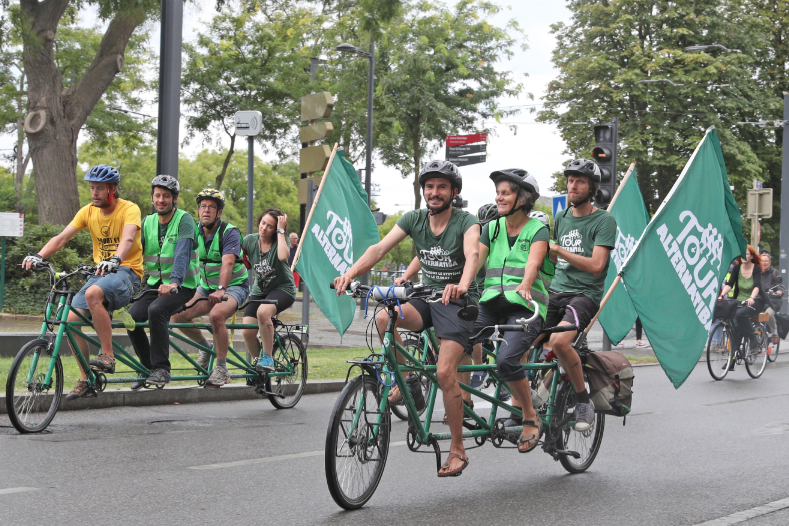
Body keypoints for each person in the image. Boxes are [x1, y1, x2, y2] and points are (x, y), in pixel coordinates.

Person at [334, 160, 480, 477]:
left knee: (444, 371)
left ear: (454, 192)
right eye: (429, 186)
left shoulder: (466, 221)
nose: (435, 192)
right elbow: (380, 248)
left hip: (457, 301)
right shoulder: (414, 219)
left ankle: (458, 449)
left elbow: (473, 254)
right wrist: (350, 274)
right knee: (386, 319)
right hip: (426, 297)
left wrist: (463, 284)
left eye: (442, 186)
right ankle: (410, 381)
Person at [22, 164, 144, 400]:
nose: (94, 193)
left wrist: (116, 259)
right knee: (69, 321)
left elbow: (128, 237)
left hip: (128, 273)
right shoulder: (88, 211)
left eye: (99, 188)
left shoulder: (129, 209)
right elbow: (61, 238)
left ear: (113, 189)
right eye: (92, 188)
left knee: (92, 294)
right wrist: (38, 256)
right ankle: (86, 378)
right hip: (101, 274)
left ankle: (107, 355)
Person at [474, 168, 553, 452]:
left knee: (506, 360)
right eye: (498, 193)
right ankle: (463, 404)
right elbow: (474, 260)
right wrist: (458, 284)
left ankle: (530, 416)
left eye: (505, 193)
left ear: (523, 198)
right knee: (453, 342)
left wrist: (527, 284)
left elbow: (533, 263)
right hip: (491, 304)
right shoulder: (491, 228)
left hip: (526, 307)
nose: (499, 197)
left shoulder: (537, 229)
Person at [544, 158, 617, 431]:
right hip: (555, 291)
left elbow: (597, 266)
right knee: (519, 336)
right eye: (570, 180)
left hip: (584, 295)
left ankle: (583, 399)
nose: (572, 186)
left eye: (580, 181)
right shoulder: (560, 217)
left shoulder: (604, 220)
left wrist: (560, 250)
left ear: (592, 188)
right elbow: (552, 262)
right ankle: (527, 406)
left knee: (560, 342)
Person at [170, 189, 250, 386]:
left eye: (211, 207)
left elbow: (228, 263)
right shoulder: (193, 231)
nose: (206, 210)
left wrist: (222, 288)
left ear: (219, 213)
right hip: (206, 287)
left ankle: (221, 368)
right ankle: (205, 348)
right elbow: (181, 256)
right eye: (203, 207)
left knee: (216, 315)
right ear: (198, 211)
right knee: (177, 315)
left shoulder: (229, 232)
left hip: (235, 286)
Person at [126, 175, 199, 389]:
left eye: (166, 196)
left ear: (174, 199)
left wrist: (175, 283)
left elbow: (182, 255)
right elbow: (133, 252)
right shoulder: (148, 222)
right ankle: (147, 368)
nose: (161, 200)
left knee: (156, 311)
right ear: (152, 198)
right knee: (131, 318)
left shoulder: (184, 220)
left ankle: (162, 369)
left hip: (183, 285)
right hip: (156, 283)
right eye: (157, 195)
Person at [241, 208, 297, 371]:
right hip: (260, 290)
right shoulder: (249, 241)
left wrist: (281, 230)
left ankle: (268, 358)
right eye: (263, 223)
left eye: (270, 226)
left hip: (283, 289)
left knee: (263, 313)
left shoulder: (281, 241)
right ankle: (259, 368)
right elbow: (238, 262)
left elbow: (282, 256)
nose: (264, 228)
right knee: (247, 330)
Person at [718, 246, 771, 369]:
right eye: (741, 254)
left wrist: (752, 297)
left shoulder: (756, 269)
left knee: (740, 314)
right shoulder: (737, 268)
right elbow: (729, 284)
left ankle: (753, 339)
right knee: (735, 328)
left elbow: (757, 285)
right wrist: (721, 295)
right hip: (739, 300)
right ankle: (732, 360)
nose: (743, 256)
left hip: (755, 301)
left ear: (752, 256)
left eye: (746, 254)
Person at [759, 251, 785, 344]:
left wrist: (779, 291)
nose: (764, 263)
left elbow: (780, 284)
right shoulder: (757, 273)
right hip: (761, 300)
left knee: (768, 314)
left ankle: (774, 332)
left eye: (766, 261)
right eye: (762, 261)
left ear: (769, 263)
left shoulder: (774, 272)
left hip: (773, 301)